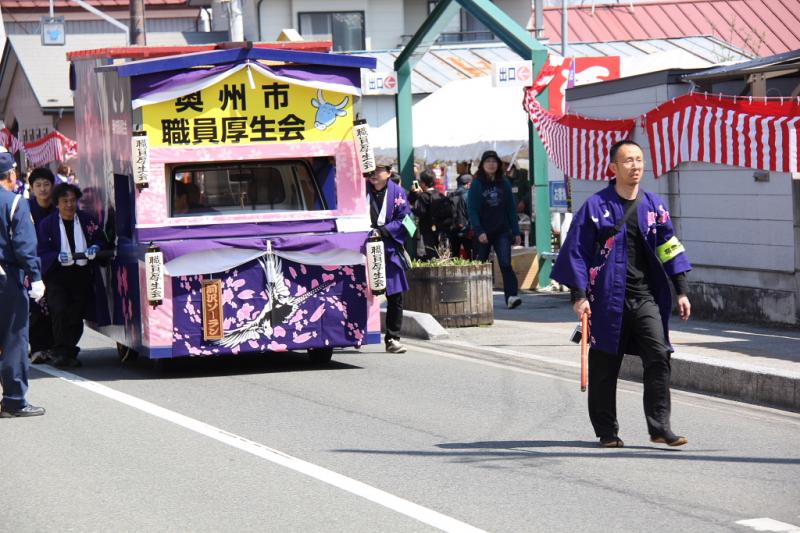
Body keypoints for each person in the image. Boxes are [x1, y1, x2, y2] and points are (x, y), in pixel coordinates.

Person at [551, 139, 692, 448]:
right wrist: (578, 296)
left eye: (639, 160)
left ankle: (659, 427)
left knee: (659, 355)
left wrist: (681, 290)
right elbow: (575, 252)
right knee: (604, 364)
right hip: (604, 299)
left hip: (644, 296)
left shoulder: (654, 205)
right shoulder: (596, 207)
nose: (635, 166)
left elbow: (670, 247)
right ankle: (607, 431)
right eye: (628, 160)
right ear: (613, 168)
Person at [37, 183, 109, 368]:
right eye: (65, 201)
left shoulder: (86, 220)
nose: (69, 204)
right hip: (57, 276)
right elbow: (41, 250)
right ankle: (60, 351)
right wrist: (55, 256)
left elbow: (100, 238)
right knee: (59, 310)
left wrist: (96, 246)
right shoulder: (47, 224)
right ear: (57, 204)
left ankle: (70, 350)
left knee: (77, 314)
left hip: (81, 274)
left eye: (73, 201)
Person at [0, 152, 46, 417]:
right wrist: (36, 276)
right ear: (11, 175)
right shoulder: (16, 201)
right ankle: (14, 401)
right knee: (14, 339)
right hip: (6, 277)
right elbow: (24, 245)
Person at [365, 163, 414, 354]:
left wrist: (384, 230)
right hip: (362, 244)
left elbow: (406, 219)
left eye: (378, 170)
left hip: (389, 246)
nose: (374, 174)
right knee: (359, 290)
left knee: (395, 294)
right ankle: (355, 332)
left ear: (388, 173)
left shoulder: (398, 192)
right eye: (371, 170)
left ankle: (393, 338)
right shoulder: (361, 190)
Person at [467, 150, 522, 309]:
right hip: (483, 231)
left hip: (502, 231)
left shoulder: (504, 183)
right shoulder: (477, 184)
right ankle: (476, 299)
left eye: (494, 161)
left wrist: (516, 231)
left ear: (498, 164)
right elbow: (473, 210)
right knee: (480, 265)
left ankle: (511, 296)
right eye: (487, 161)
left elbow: (511, 209)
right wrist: (479, 231)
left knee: (505, 263)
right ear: (482, 165)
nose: (491, 164)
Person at [27, 167, 57, 364]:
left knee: (54, 306)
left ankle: (53, 347)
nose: (43, 189)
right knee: (36, 308)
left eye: (46, 184)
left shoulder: (59, 207)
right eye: (38, 185)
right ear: (31, 188)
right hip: (31, 263)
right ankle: (37, 348)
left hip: (55, 263)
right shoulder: (25, 208)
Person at [408, 170, 453, 260]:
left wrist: (414, 200)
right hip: (440, 229)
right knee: (440, 253)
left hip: (426, 229)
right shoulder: (440, 194)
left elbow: (419, 212)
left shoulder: (423, 196)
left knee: (430, 252)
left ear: (423, 183)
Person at [449, 172, 472, 259]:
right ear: (469, 184)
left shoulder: (451, 195)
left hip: (453, 231)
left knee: (454, 258)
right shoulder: (469, 196)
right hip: (467, 231)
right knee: (471, 257)